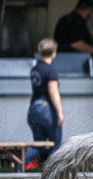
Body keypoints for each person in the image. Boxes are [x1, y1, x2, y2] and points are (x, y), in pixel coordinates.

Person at [23, 38, 64, 170]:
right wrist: (60, 112)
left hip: (33, 108)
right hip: (46, 109)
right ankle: (50, 173)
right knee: (56, 144)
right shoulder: (51, 71)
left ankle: (19, 165)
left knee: (38, 145)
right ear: (53, 53)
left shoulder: (35, 69)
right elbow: (53, 92)